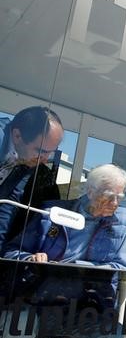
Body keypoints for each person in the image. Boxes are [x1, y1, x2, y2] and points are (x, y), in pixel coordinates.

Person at [0, 163, 126, 338]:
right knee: (17, 324)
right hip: (36, 301)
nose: (115, 203)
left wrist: (77, 268)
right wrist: (31, 257)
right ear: (90, 191)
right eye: (110, 196)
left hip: (80, 308)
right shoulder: (52, 213)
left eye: (120, 197)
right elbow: (11, 252)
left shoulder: (121, 220)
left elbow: (120, 267)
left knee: (113, 335)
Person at [0, 106, 63, 249]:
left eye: (50, 153)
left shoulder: (28, 161)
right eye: (41, 151)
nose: (45, 160)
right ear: (17, 136)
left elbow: (8, 206)